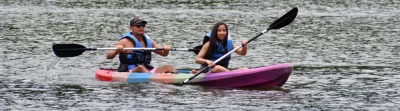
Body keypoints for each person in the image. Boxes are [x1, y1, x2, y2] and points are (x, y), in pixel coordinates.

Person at [107, 15, 177, 73]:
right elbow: (109, 56)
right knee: (140, 68)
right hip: (129, 71)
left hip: (147, 70)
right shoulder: (124, 41)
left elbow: (164, 54)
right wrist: (117, 51)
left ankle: (178, 77)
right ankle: (154, 78)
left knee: (169, 67)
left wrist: (166, 49)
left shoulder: (150, 42)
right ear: (131, 28)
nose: (141, 27)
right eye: (138, 25)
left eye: (143, 25)